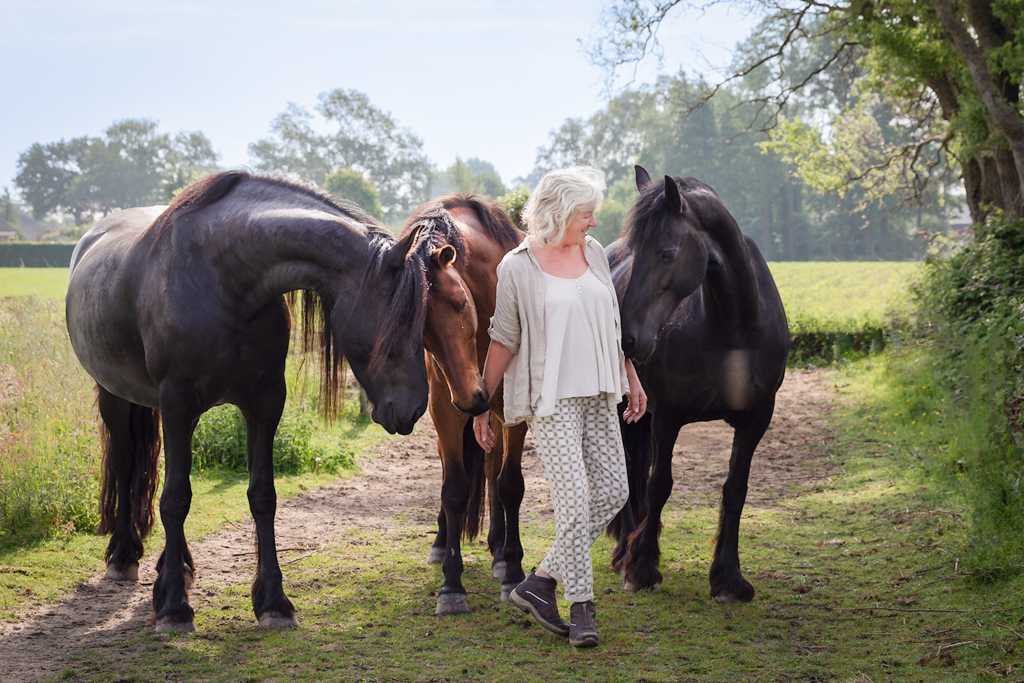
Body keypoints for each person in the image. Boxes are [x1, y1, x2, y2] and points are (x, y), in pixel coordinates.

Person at [473, 166, 647, 648]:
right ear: (560, 212)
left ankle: (541, 581)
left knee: (613, 491)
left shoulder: (592, 253)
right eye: (586, 214)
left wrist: (630, 376)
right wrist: (482, 405)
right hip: (551, 402)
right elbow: (503, 340)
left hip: (598, 391)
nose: (594, 224)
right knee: (574, 504)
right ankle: (581, 608)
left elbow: (611, 324)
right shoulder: (517, 266)